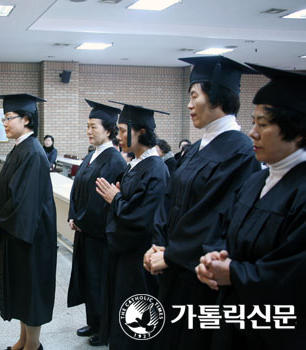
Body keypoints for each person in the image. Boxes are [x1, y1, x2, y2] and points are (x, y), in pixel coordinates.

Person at [143, 56, 260, 349]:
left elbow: (215, 215)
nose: (189, 105)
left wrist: (171, 254)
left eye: (194, 95)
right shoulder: (197, 147)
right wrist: (158, 244)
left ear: (218, 96)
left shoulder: (241, 152)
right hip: (173, 268)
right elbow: (168, 198)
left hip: (200, 277)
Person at [195, 63, 306, 350]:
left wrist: (232, 272)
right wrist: (214, 259)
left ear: (298, 133)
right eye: (253, 122)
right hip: (235, 323)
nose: (253, 133)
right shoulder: (256, 182)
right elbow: (225, 229)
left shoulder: (302, 192)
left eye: (263, 124)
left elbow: (293, 274)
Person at [96, 102, 170, 349]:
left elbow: (142, 216)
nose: (119, 136)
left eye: (123, 130)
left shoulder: (155, 168)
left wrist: (115, 198)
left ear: (142, 132)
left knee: (138, 319)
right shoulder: (135, 164)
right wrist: (118, 198)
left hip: (139, 256)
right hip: (125, 253)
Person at [0, 94, 56, 350]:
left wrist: (0, 223)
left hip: (31, 237)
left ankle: (33, 345)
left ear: (26, 119)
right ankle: (23, 340)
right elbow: (2, 190)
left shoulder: (33, 152)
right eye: (3, 118)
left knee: (31, 292)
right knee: (21, 287)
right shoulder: (21, 147)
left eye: (8, 118)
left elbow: (24, 201)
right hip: (19, 234)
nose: (4, 123)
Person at [67, 100, 127, 347]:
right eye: (87, 126)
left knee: (99, 281)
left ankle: (105, 329)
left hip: (100, 234)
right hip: (85, 230)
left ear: (109, 130)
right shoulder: (92, 156)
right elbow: (78, 188)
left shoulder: (115, 161)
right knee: (87, 278)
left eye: (93, 126)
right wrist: (73, 215)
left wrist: (82, 220)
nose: (89, 131)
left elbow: (102, 200)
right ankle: (93, 321)